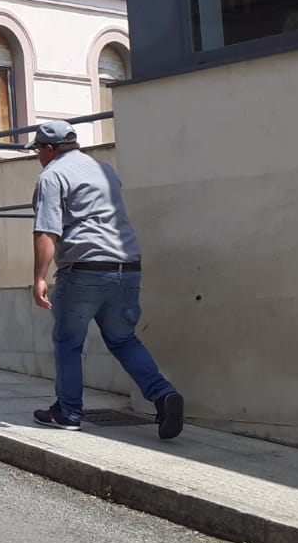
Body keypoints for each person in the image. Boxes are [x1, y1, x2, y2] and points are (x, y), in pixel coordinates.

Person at [27, 119, 184, 439]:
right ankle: (163, 394)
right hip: (127, 267)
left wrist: (39, 277)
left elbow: (46, 231)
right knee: (123, 339)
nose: (38, 157)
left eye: (38, 151)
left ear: (49, 149)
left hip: (84, 270)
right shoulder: (105, 170)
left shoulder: (52, 176)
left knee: (68, 342)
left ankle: (68, 412)